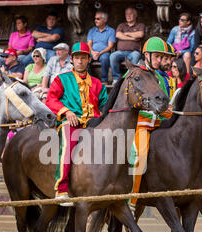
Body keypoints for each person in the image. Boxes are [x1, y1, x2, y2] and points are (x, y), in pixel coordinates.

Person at [45, 42, 108, 204]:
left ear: (88, 60)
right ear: (72, 59)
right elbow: (50, 100)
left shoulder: (98, 83)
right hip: (70, 123)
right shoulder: (61, 79)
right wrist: (67, 111)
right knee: (67, 146)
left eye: (84, 58)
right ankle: (61, 189)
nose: (80, 61)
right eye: (77, 58)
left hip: (94, 124)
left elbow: (105, 106)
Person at [128, 37, 173, 210]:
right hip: (138, 125)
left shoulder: (160, 78)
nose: (160, 61)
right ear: (146, 55)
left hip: (158, 125)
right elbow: (131, 105)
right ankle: (130, 201)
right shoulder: (134, 74)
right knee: (138, 155)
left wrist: (168, 110)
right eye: (157, 57)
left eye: (162, 57)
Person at [110, 7, 145, 84]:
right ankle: (116, 79)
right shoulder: (122, 25)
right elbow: (118, 35)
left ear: (135, 15)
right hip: (121, 52)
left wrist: (126, 34)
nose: (128, 16)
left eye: (130, 14)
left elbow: (140, 34)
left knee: (136, 56)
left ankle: (132, 78)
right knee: (113, 56)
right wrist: (133, 38)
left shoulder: (140, 25)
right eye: (127, 14)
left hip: (134, 52)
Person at [87, 11, 116, 83]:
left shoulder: (111, 31)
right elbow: (89, 44)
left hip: (104, 52)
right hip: (92, 52)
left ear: (105, 20)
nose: (95, 20)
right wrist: (93, 52)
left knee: (105, 58)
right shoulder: (92, 31)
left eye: (98, 19)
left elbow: (110, 46)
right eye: (95, 19)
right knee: (85, 58)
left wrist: (99, 53)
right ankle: (89, 80)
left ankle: (104, 80)